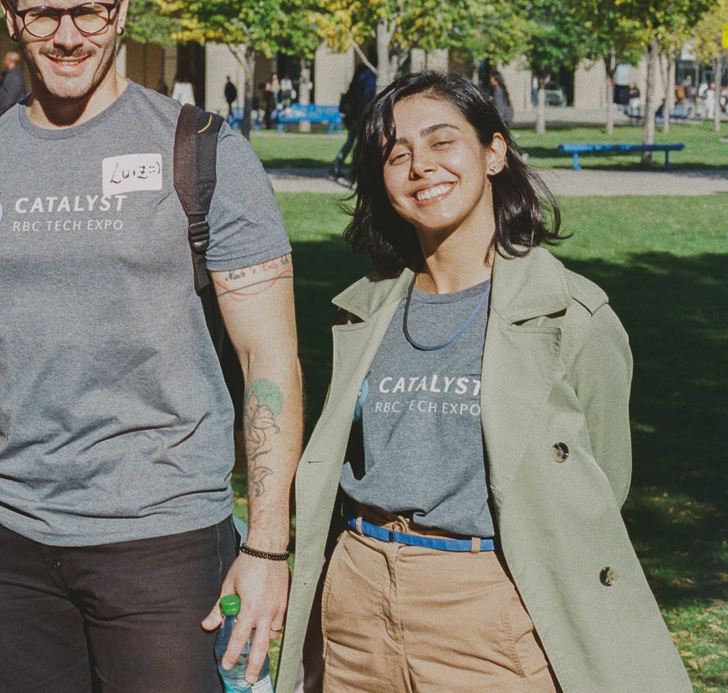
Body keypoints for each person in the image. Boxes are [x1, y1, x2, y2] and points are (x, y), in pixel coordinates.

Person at [0, 0, 303, 693]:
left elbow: (268, 354)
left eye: (89, 11)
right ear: (10, 15)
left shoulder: (203, 152)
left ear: (123, 8)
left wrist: (269, 544)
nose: (68, 35)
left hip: (164, 536)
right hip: (6, 537)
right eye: (44, 15)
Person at [276, 71, 691, 693]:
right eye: (397, 154)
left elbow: (601, 484)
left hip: (487, 607)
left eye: (443, 142)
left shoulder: (573, 317)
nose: (421, 166)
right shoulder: (362, 312)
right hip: (355, 599)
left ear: (494, 152)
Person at [331, 63, 377, 180]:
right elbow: (369, 98)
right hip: (362, 117)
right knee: (363, 146)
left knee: (350, 143)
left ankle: (337, 166)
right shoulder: (369, 78)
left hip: (353, 118)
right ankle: (356, 172)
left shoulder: (355, 82)